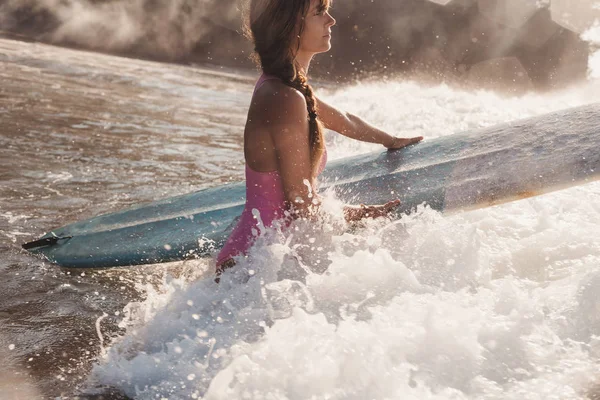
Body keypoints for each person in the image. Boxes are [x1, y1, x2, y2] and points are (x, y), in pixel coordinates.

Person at [215, 0, 423, 277]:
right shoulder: (284, 98)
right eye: (319, 12)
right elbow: (300, 202)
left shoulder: (286, 87)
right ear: (289, 26)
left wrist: (391, 140)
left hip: (265, 259)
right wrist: (359, 214)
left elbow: (344, 120)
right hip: (251, 266)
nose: (331, 20)